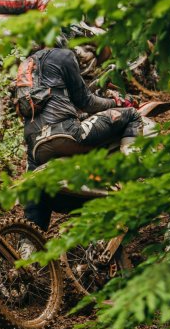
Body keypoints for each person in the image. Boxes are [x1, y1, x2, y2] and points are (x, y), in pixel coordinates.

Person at [17, 47, 141, 231]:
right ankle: (133, 184)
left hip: (35, 146)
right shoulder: (62, 55)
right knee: (131, 115)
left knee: (35, 193)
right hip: (67, 134)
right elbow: (86, 102)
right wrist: (118, 102)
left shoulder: (25, 64)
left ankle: (29, 243)